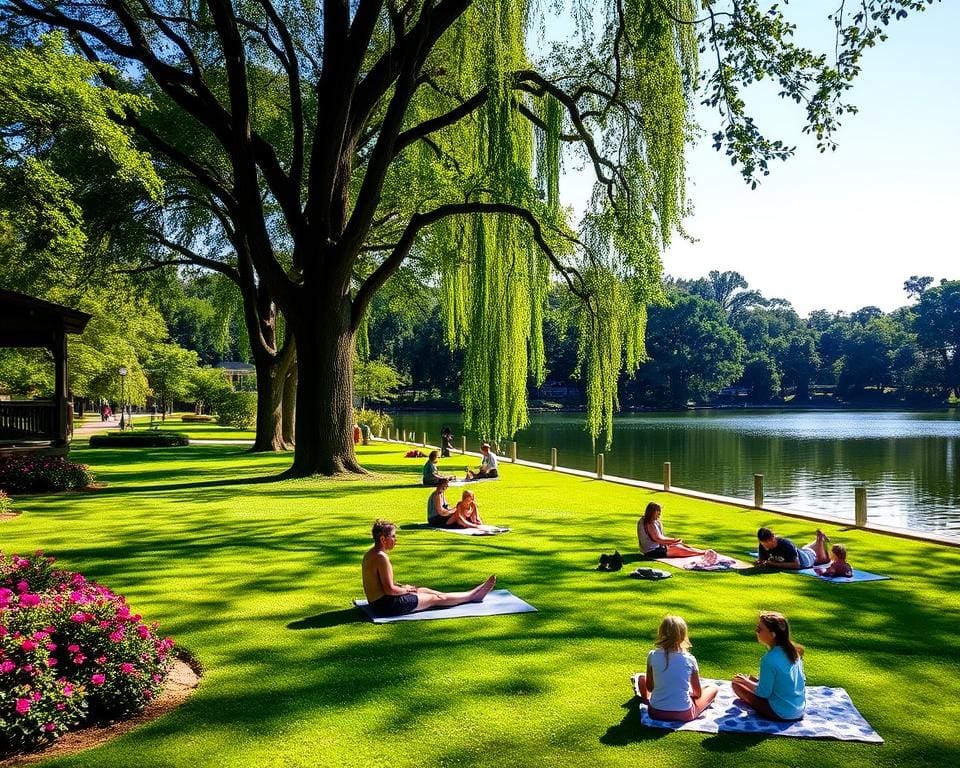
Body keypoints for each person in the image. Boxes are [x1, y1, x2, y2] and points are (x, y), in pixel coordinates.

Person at [361, 519, 496, 617]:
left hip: (378, 603)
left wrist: (404, 588)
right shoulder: (381, 558)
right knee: (434, 599)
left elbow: (382, 585)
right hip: (386, 607)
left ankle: (469, 594)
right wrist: (406, 589)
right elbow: (389, 589)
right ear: (383, 539)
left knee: (422, 590)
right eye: (393, 536)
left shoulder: (370, 554)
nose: (396, 540)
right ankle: (472, 596)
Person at [635, 615, 718, 722]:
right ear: (683, 636)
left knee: (642, 678)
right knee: (713, 688)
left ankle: (647, 701)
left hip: (655, 712)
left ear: (661, 633)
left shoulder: (652, 655)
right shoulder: (690, 659)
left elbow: (650, 688)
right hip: (684, 713)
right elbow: (697, 694)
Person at [732, 611, 806, 721]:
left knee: (737, 683)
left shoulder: (769, 659)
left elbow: (763, 693)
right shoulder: (794, 651)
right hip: (799, 709)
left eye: (759, 629)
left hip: (781, 712)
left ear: (773, 635)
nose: (756, 632)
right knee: (751, 678)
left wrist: (745, 681)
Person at [638, 502, 705, 558]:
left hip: (657, 548)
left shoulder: (653, 521)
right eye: (658, 512)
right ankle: (701, 553)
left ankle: (701, 552)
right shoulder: (648, 523)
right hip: (651, 551)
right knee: (677, 548)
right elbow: (657, 539)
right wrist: (673, 540)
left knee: (679, 545)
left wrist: (673, 542)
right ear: (652, 512)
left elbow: (660, 538)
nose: (659, 515)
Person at [754, 527, 830, 570]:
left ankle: (820, 538)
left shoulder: (786, 544)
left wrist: (773, 564)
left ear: (772, 539)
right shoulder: (762, 545)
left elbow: (796, 565)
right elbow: (762, 560)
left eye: (766, 544)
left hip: (806, 559)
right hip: (800, 551)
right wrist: (760, 563)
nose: (765, 547)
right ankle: (818, 540)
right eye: (762, 544)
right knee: (806, 549)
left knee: (824, 560)